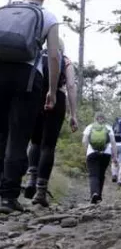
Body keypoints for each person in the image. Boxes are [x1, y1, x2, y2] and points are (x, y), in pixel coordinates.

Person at [0, 0, 60, 212]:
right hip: (27, 78)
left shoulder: (4, 10)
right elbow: (53, 56)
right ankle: (7, 198)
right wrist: (52, 91)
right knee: (17, 138)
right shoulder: (48, 16)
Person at [24, 38, 78, 207]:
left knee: (35, 142)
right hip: (57, 99)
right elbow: (70, 85)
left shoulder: (38, 56)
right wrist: (73, 114)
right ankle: (40, 191)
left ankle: (31, 180)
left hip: (35, 97)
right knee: (48, 146)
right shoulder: (66, 60)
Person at [83, 112, 118, 204]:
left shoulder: (90, 127)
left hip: (92, 153)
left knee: (93, 174)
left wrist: (86, 151)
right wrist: (115, 156)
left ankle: (94, 193)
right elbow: (113, 143)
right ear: (104, 118)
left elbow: (84, 141)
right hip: (106, 154)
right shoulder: (108, 127)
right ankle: (99, 196)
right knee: (101, 174)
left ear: (95, 118)